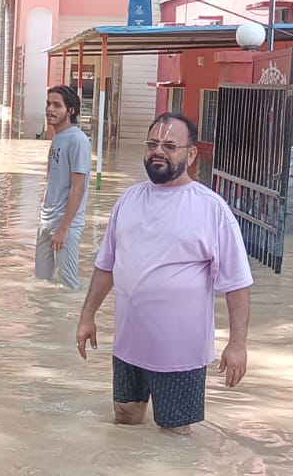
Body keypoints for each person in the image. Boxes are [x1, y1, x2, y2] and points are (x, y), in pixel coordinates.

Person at [76, 112, 252, 435]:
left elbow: (237, 284)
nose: (159, 151)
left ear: (191, 154)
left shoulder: (211, 209)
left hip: (180, 357)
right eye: (153, 144)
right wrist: (87, 315)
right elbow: (106, 266)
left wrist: (238, 343)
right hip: (128, 348)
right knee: (125, 422)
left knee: (175, 441)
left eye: (170, 146)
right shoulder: (128, 200)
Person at [35, 86, 91, 289]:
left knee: (68, 287)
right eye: (48, 104)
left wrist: (63, 229)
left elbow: (78, 187)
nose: (50, 109)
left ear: (71, 110)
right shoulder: (57, 138)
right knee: (41, 283)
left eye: (57, 105)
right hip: (46, 221)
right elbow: (52, 180)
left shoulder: (78, 141)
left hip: (66, 226)